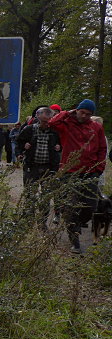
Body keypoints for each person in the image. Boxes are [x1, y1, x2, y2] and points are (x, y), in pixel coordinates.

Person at [49, 99, 107, 253]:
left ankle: (77, 224)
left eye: (88, 114)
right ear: (77, 110)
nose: (85, 116)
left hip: (90, 172)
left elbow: (102, 148)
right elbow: (52, 123)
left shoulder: (96, 127)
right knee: (69, 207)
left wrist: (99, 168)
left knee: (90, 206)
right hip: (70, 172)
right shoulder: (67, 124)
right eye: (82, 112)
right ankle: (75, 242)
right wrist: (68, 113)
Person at [15, 106, 62, 226]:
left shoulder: (54, 132)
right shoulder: (29, 129)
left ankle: (42, 222)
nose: (45, 124)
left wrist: (59, 147)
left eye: (48, 121)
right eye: (43, 121)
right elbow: (19, 142)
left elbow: (62, 144)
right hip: (32, 167)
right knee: (30, 194)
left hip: (48, 168)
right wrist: (20, 152)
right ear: (37, 118)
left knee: (46, 196)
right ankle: (28, 220)